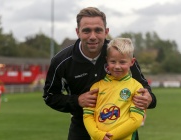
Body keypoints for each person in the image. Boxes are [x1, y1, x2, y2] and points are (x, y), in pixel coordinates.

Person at [43, 7, 156, 140]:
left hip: (123, 131)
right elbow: (50, 96)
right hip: (82, 128)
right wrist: (77, 100)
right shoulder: (61, 61)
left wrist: (149, 99)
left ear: (106, 32)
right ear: (77, 32)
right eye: (86, 31)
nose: (92, 36)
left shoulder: (120, 54)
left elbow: (144, 89)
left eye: (98, 30)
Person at [83, 38, 145, 140]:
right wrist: (99, 135)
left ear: (132, 62)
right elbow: (88, 116)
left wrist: (111, 137)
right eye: (113, 61)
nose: (117, 66)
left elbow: (136, 120)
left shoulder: (137, 87)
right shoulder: (96, 87)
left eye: (122, 62)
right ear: (107, 60)